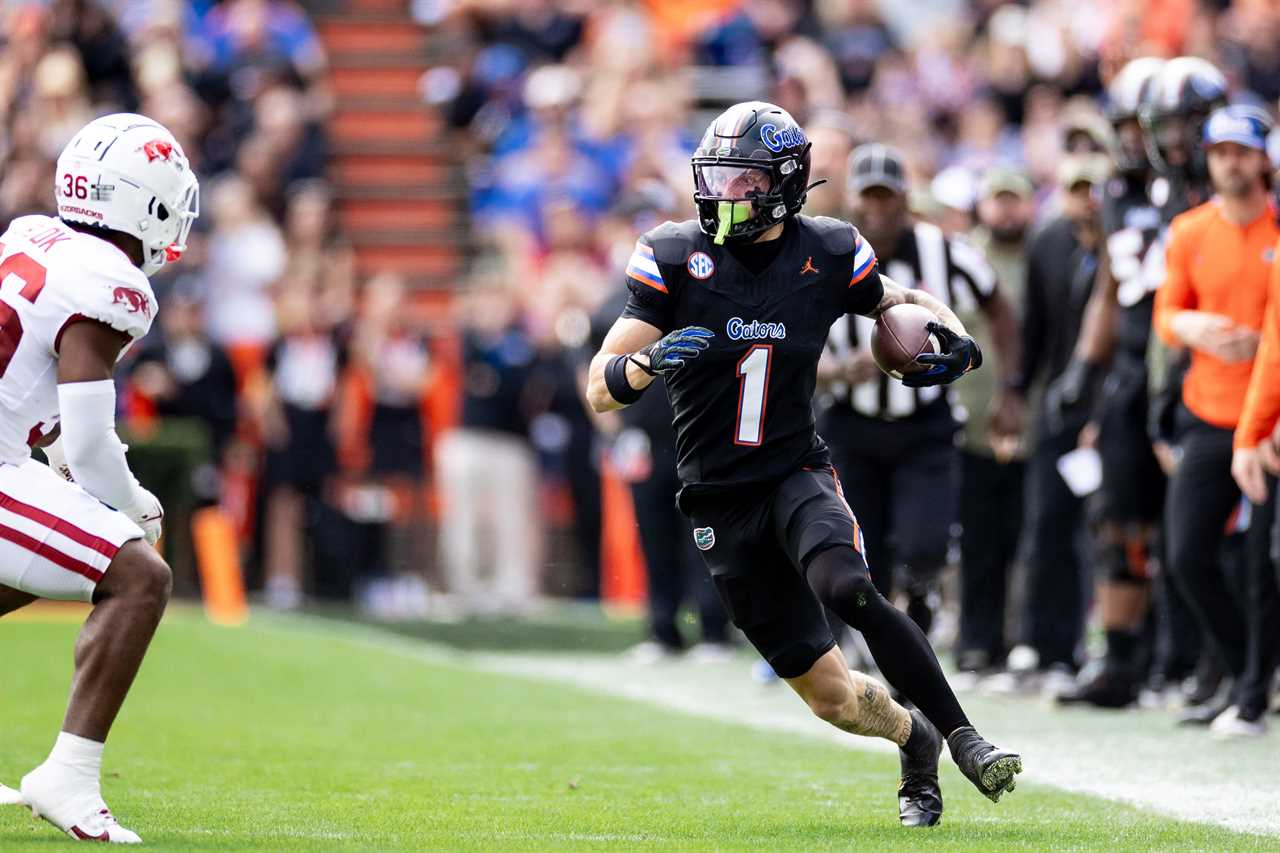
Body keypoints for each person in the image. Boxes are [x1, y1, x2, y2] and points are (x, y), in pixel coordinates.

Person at [585, 102, 1020, 828]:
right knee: (834, 698)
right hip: (717, 499)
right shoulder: (671, 254)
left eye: (744, 182)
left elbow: (903, 301)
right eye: (718, 179)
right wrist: (644, 362)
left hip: (794, 471)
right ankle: (919, 740)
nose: (726, 195)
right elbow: (598, 384)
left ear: (786, 185)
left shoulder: (827, 250)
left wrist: (956, 335)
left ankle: (968, 736)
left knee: (847, 584)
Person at [0, 113, 199, 843]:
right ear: (141, 203)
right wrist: (134, 505)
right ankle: (69, 775)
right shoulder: (110, 281)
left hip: (7, 460)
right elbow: (86, 439)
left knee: (66, 560)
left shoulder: (32, 234)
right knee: (139, 576)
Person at [819, 144, 1020, 635]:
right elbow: (791, 336)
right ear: (851, 200)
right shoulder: (824, 251)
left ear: (906, 200)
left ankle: (924, 590)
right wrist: (838, 371)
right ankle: (863, 646)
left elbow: (999, 307)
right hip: (851, 422)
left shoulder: (944, 250)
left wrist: (1009, 389)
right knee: (855, 552)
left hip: (925, 421)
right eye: (868, 197)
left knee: (924, 544)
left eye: (887, 197)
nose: (877, 209)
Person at [1153, 104, 1279, 736]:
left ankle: (1253, 689)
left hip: (1272, 415)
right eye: (1220, 150)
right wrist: (1194, 326)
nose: (1230, 162)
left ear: (1262, 158)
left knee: (1262, 564)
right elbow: (1167, 313)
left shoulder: (1275, 232)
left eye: (1241, 150)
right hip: (1209, 409)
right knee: (1186, 554)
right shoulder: (1191, 230)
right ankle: (1243, 673)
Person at [1053, 57, 1168, 709]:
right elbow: (1109, 285)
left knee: (1191, 529)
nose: (1137, 139)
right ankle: (1121, 659)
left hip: (1189, 370)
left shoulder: (1208, 186)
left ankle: (1196, 660)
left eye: (1147, 126)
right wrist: (1082, 366)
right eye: (1125, 125)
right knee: (1119, 520)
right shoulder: (1120, 191)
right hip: (1129, 371)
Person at [1004, 152, 1112, 691]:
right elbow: (1036, 332)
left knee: (1106, 531)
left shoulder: (1125, 243)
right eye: (1077, 189)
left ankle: (1092, 648)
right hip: (1059, 406)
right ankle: (1041, 643)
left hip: (1113, 407)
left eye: (1095, 189)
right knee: (1046, 523)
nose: (1086, 200)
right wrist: (1019, 394)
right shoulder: (1047, 243)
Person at [954, 165, 1036, 674]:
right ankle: (977, 640)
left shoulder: (1043, 254)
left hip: (1030, 419)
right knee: (978, 540)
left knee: (1026, 539)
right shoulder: (963, 256)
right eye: (997, 199)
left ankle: (1024, 640)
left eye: (1014, 199)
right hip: (969, 419)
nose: (1006, 210)